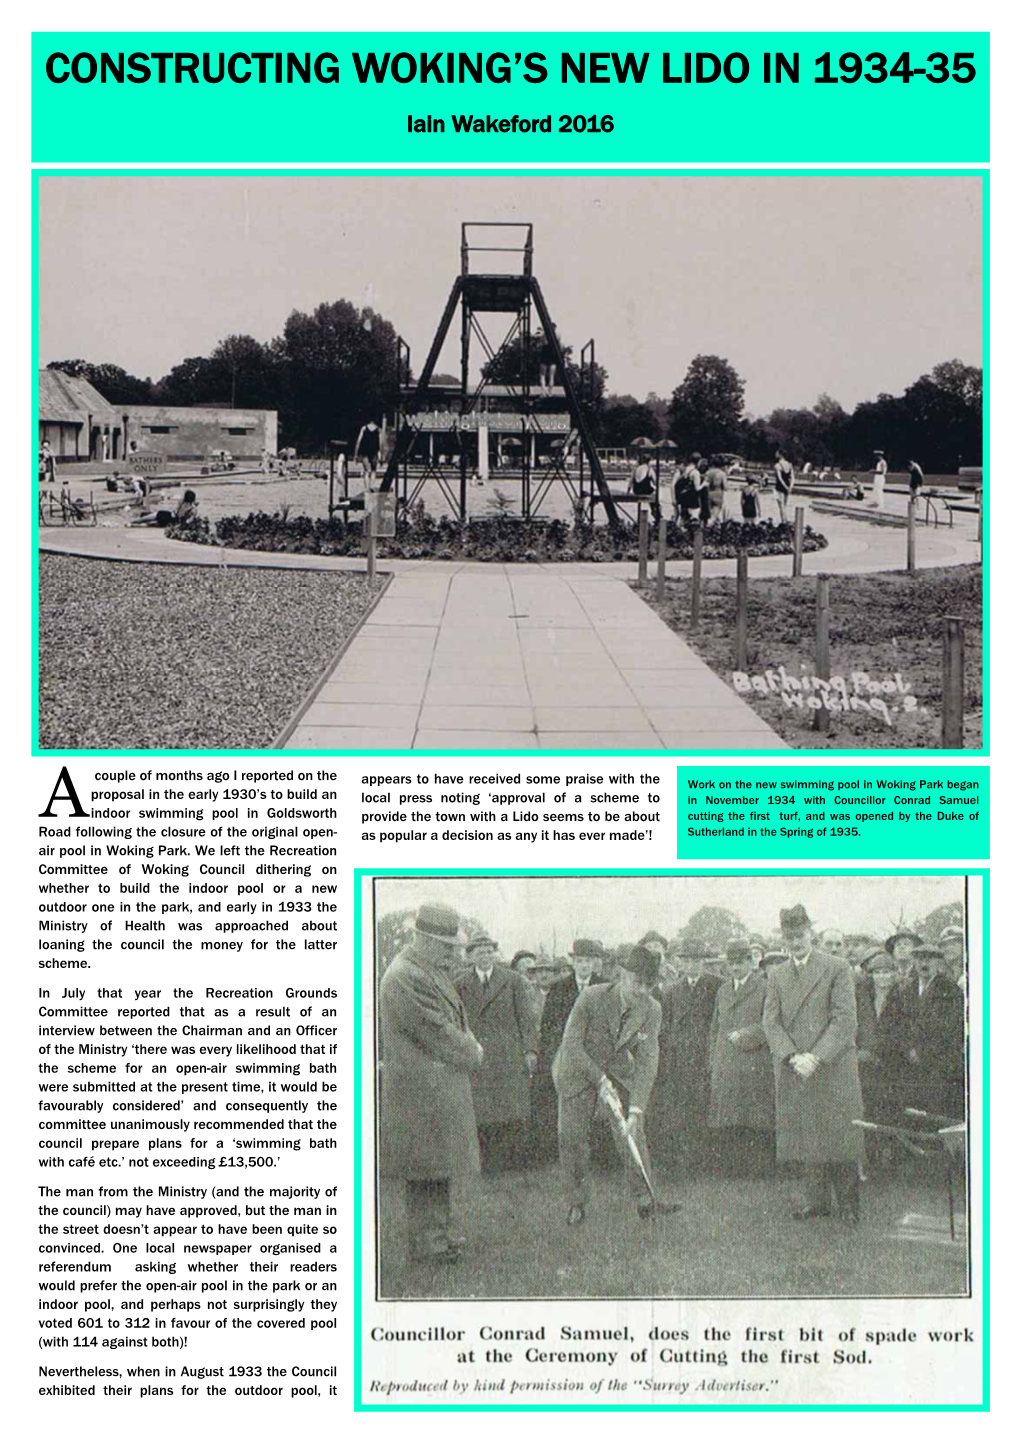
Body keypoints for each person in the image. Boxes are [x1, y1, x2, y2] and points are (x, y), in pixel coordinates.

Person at [378, 903, 482, 1265]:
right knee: (424, 1171)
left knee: (437, 1167)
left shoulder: (424, 969)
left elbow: (452, 1023)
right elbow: (437, 1031)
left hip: (434, 1090)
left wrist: (468, 1045)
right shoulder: (405, 977)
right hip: (420, 1092)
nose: (451, 952)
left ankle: (438, 1235)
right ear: (421, 938)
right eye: (444, 944)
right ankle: (429, 1246)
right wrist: (474, 1051)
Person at [555, 944, 678, 1224]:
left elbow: (647, 1060)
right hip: (576, 1070)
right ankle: (575, 1203)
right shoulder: (590, 997)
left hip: (617, 1071)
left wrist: (636, 1109)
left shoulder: (652, 1009)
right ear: (622, 975)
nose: (644, 990)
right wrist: (599, 1080)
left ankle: (646, 1199)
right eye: (638, 982)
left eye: (650, 984)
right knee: (572, 1138)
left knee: (633, 1132)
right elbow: (571, 1044)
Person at [762, 904, 865, 1223]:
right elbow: (770, 1022)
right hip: (796, 1066)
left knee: (840, 1135)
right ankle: (817, 1201)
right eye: (789, 936)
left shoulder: (837, 967)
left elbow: (845, 1018)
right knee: (807, 1136)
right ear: (783, 938)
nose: (795, 941)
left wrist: (815, 1056)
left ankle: (848, 1204)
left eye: (801, 934)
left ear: (812, 934)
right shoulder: (777, 974)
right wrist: (792, 1056)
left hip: (832, 1065)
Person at [455, 935, 538, 1172]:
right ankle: (486, 1165)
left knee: (510, 1110)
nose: (485, 956)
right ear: (471, 956)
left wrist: (530, 1050)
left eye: (490, 951)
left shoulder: (512, 980)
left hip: (507, 1056)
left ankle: (512, 1164)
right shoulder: (459, 984)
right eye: (480, 952)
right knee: (481, 1113)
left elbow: (527, 1019)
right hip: (477, 1055)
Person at [648, 938, 720, 1170]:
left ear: (703, 962)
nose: (692, 965)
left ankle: (704, 1161)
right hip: (679, 1060)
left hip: (704, 1057)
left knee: (703, 1109)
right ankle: (683, 1162)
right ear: (681, 962)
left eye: (696, 960)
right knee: (680, 1111)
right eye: (687, 960)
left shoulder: (717, 985)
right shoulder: (672, 990)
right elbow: (665, 1026)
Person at [530, 939, 603, 1164]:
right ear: (573, 963)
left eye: (588, 961)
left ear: (595, 963)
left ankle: (598, 1155)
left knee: (597, 1104)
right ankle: (565, 1156)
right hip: (567, 1055)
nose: (584, 966)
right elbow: (550, 1025)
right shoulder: (560, 988)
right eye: (580, 961)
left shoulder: (605, 987)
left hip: (595, 1055)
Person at [707, 939, 774, 1178]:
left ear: (750, 962)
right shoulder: (723, 991)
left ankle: (758, 1171)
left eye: (740, 962)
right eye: (731, 963)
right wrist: (713, 1061)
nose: (735, 968)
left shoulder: (765, 987)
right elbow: (715, 1027)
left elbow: (772, 1024)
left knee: (755, 1120)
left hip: (754, 1063)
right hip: (726, 1063)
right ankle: (732, 1171)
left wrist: (747, 1035)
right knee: (729, 1120)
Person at [893, 945, 966, 1121]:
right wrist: (908, 1048)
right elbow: (899, 1025)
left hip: (939, 1067)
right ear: (914, 961)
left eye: (929, 959)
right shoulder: (906, 990)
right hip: (911, 1065)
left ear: (938, 962)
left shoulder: (950, 991)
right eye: (919, 959)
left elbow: (951, 1030)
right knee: (914, 1115)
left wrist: (922, 1052)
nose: (924, 963)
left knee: (936, 1115)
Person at [131, 489, 199, 528]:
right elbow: (189, 520)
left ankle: (132, 522)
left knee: (144, 519)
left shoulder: (181, 502)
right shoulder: (193, 509)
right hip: (172, 522)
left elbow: (176, 510)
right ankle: (135, 524)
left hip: (165, 514)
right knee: (150, 524)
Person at [630, 450, 659, 523]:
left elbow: (630, 482)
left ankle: (654, 512)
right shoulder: (649, 469)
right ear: (649, 461)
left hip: (636, 490)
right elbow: (655, 482)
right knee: (654, 496)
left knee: (651, 492)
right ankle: (656, 514)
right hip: (645, 490)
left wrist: (628, 492)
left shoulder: (636, 468)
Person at [673, 453, 701, 523]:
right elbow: (697, 488)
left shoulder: (685, 470)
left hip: (684, 498)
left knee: (684, 518)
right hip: (692, 500)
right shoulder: (695, 472)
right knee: (694, 519)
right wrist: (705, 484)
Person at [774, 450, 794, 522]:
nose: (775, 454)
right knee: (784, 506)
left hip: (779, 487)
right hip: (788, 486)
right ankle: (785, 520)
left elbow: (779, 478)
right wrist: (790, 487)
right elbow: (792, 477)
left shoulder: (777, 465)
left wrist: (785, 487)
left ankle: (784, 521)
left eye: (777, 453)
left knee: (781, 506)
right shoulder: (789, 464)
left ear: (780, 455)